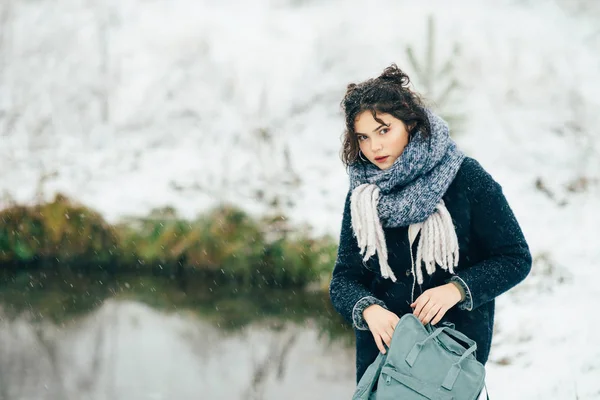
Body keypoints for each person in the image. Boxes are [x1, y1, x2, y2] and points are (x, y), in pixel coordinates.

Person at [328, 64, 532, 390]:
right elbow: (344, 280)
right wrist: (367, 310)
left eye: (384, 131)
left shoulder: (465, 178)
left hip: (449, 361)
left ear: (410, 123)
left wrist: (457, 289)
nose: (374, 147)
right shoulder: (363, 197)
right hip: (383, 365)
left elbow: (515, 258)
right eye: (363, 137)